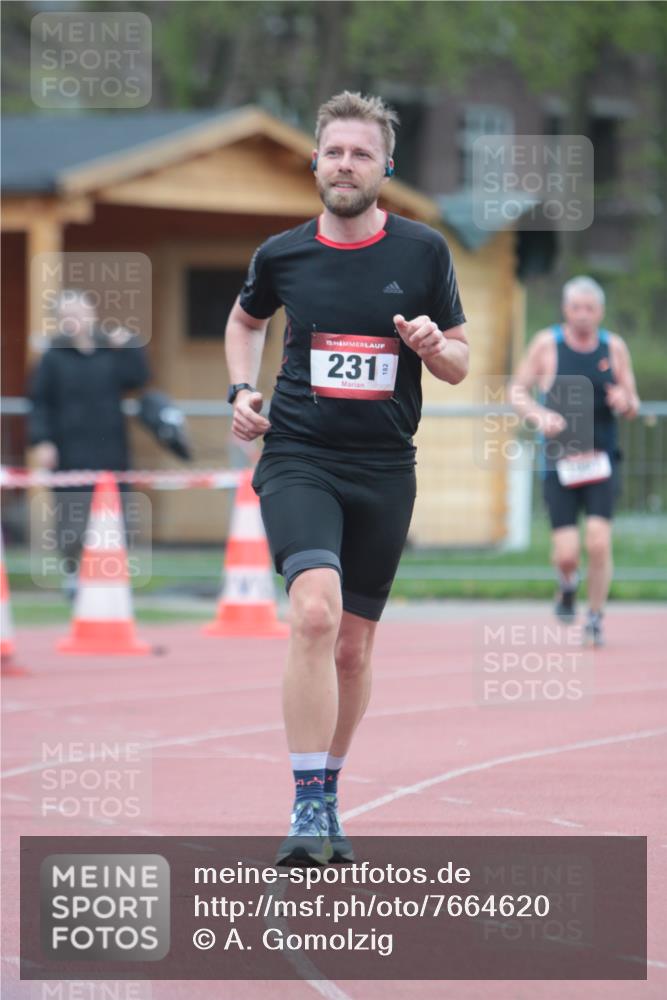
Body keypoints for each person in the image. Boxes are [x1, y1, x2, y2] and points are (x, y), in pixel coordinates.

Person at [224, 91, 468, 865]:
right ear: (314, 161)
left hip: (384, 467)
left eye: (360, 153)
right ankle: (302, 808)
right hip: (298, 455)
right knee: (315, 615)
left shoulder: (423, 253)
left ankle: (328, 791)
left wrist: (432, 346)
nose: (344, 164)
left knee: (354, 648)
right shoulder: (283, 254)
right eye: (333, 151)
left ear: (384, 167)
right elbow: (244, 320)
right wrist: (241, 390)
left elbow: (459, 364)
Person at [509, 276, 640, 646]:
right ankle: (567, 582)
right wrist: (538, 415)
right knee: (567, 553)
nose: (583, 315)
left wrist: (624, 402)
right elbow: (516, 390)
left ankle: (595, 617)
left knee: (598, 543)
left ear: (600, 312)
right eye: (576, 308)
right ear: (565, 310)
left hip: (601, 460)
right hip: (559, 461)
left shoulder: (613, 347)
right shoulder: (547, 344)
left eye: (590, 309)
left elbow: (633, 401)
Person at [28, 290, 150, 598]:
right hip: (68, 449)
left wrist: (130, 346)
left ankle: (111, 575)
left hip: (111, 448)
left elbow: (138, 377)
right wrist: (41, 441)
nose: (74, 320)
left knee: (113, 513)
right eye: (67, 315)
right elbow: (39, 402)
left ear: (92, 315)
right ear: (59, 321)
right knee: (72, 515)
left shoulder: (110, 352)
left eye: (79, 313)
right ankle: (72, 575)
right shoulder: (52, 358)